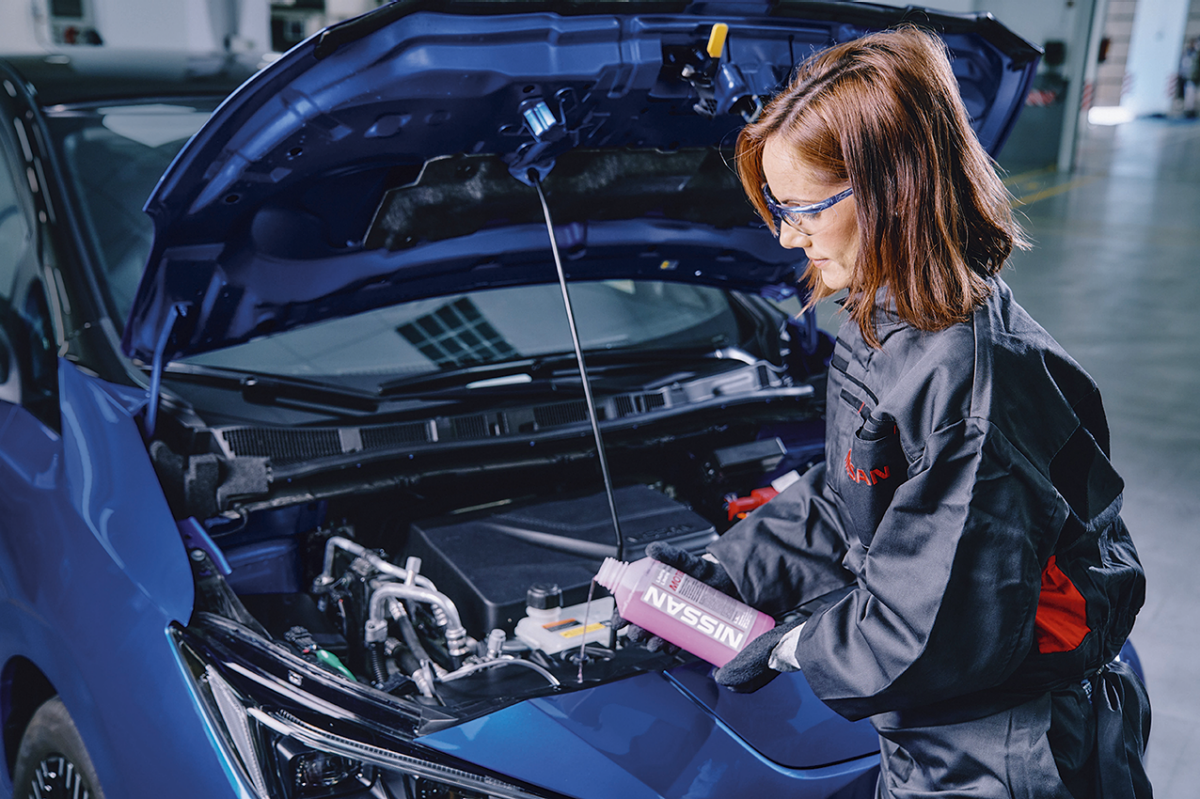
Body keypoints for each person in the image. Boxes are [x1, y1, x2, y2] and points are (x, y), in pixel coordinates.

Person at [628, 25, 1151, 799]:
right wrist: (726, 573)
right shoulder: (890, 320)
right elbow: (853, 491)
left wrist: (794, 645)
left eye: (803, 208)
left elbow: (930, 623)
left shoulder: (975, 385)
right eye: (778, 208)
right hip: (941, 736)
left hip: (1012, 750)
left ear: (892, 193)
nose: (787, 235)